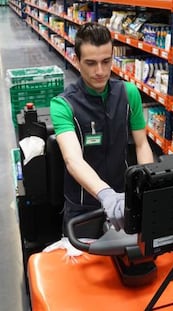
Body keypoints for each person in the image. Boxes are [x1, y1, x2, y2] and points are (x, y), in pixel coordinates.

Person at [50, 22, 154, 236]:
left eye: (106, 61)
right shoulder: (63, 105)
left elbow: (142, 144)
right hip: (83, 206)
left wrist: (148, 184)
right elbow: (73, 160)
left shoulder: (128, 93)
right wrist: (105, 194)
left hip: (124, 198)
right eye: (91, 63)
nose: (100, 71)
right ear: (77, 61)